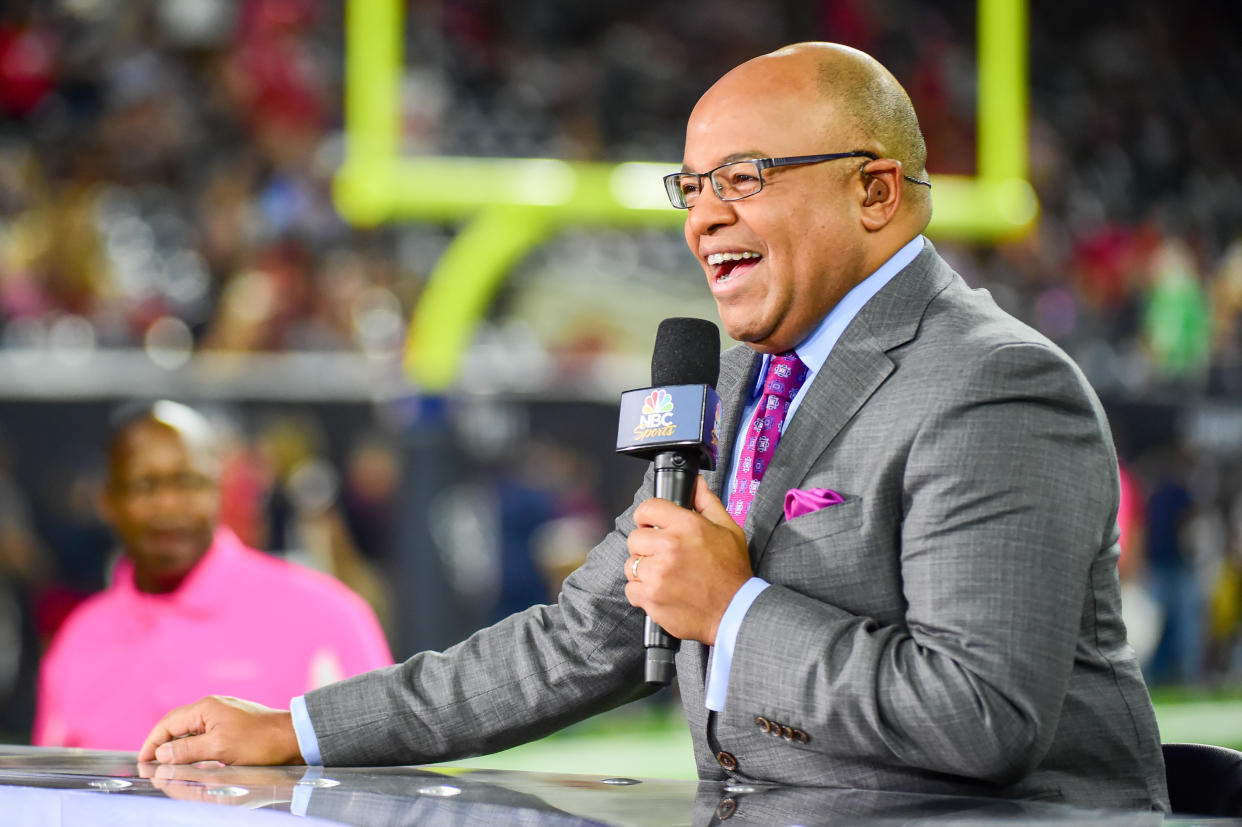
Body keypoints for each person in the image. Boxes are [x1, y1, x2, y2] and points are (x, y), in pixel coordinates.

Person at [140, 43, 1168, 811]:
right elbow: (579, 639)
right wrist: (301, 728)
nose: (702, 217)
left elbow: (980, 711)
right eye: (693, 186)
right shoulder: (739, 378)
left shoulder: (994, 385)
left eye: (745, 178)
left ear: (875, 190)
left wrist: (734, 608)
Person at [34, 400, 392, 750]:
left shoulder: (327, 616)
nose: (168, 505)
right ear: (109, 502)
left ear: (219, 487)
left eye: (188, 482)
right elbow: (50, 799)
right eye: (145, 486)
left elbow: (383, 774)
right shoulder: (79, 639)